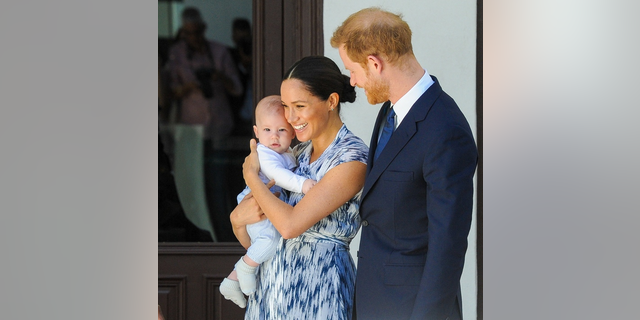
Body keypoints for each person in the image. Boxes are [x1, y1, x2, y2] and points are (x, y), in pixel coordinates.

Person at [330, 7, 478, 320]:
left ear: (374, 62)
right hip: (374, 301)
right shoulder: (389, 113)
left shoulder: (446, 130)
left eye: (352, 70)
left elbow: (447, 248)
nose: (353, 81)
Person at [229, 56, 368, 319]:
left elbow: (289, 226)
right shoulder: (296, 153)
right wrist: (237, 222)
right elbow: (260, 241)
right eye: (285, 106)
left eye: (299, 106)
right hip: (270, 292)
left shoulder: (352, 158)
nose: (290, 118)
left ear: (331, 101)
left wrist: (251, 176)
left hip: (318, 292)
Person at [219, 95, 317, 308]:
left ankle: (232, 280)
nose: (274, 136)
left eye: (281, 130)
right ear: (256, 132)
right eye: (267, 130)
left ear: (292, 132)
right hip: (256, 203)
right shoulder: (264, 154)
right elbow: (278, 175)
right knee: (270, 240)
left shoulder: (289, 152)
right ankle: (245, 268)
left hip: (267, 204)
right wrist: (303, 184)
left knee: (267, 240)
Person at [166, 7, 244, 241]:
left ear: (203, 30)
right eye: (188, 33)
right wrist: (188, 87)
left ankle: (224, 239)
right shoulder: (176, 54)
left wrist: (219, 77)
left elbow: (237, 88)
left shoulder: (219, 52)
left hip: (220, 129)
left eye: (197, 32)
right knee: (191, 189)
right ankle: (199, 238)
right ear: (182, 32)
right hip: (190, 133)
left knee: (219, 186)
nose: (194, 38)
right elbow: (166, 95)